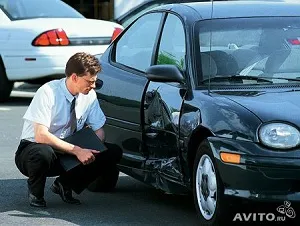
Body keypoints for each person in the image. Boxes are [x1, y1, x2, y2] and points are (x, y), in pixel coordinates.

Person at [15, 52, 122, 207]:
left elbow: (99, 130)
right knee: (42, 152)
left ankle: (65, 184)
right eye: (89, 82)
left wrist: (92, 149)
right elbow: (41, 136)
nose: (92, 86)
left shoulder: (89, 95)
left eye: (95, 82)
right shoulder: (48, 92)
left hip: (69, 147)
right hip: (35, 150)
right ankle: (36, 193)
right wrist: (77, 150)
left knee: (111, 151)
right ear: (74, 77)